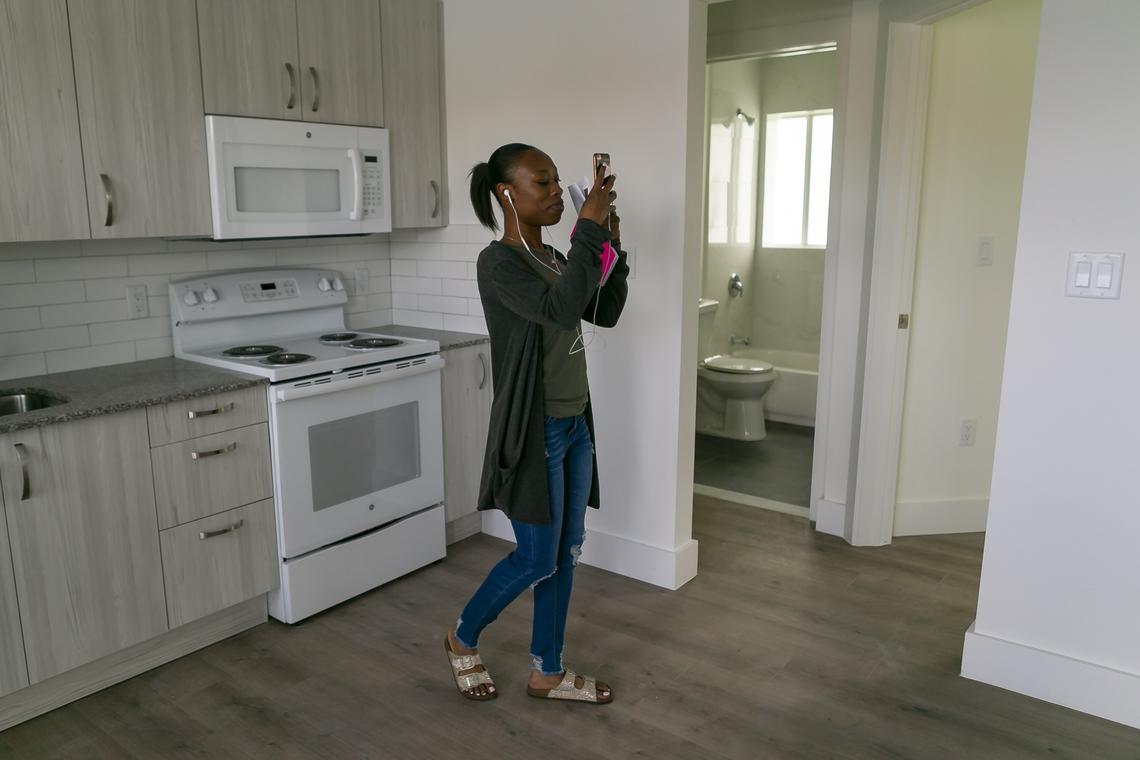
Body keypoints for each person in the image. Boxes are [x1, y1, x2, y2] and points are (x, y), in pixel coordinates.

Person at [443, 143, 629, 704]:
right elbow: (556, 311)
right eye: (541, 184)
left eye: (556, 184)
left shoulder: (557, 260)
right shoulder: (498, 264)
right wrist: (588, 231)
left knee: (565, 551)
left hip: (576, 426)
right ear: (508, 193)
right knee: (535, 556)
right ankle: (461, 636)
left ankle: (548, 669)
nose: (554, 194)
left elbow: (605, 310)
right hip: (536, 432)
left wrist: (609, 237)